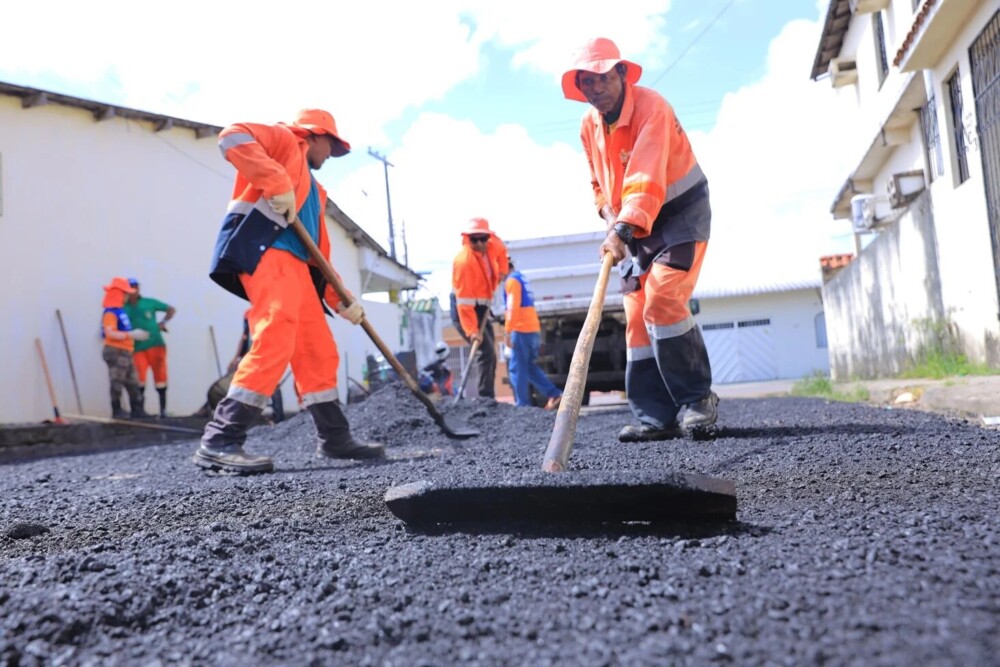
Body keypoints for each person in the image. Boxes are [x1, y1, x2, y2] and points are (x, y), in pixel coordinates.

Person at [192, 108, 384, 474]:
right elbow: (232, 136)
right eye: (330, 145)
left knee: (318, 350)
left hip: (298, 269)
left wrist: (343, 301)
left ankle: (334, 439)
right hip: (267, 254)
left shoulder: (315, 191)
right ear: (312, 135)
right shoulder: (283, 141)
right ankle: (221, 439)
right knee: (276, 331)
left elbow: (320, 257)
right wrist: (275, 181)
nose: (331, 154)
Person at [562, 37, 718, 441]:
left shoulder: (653, 108)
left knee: (663, 299)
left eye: (600, 79)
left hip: (679, 215)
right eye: (585, 83)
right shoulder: (588, 126)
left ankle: (697, 400)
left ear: (621, 73)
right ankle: (655, 417)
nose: (594, 91)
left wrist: (622, 228)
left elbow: (645, 180)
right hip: (631, 227)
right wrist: (607, 216)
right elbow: (599, 182)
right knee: (635, 319)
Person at [451, 217, 509, 399]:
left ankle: (488, 399)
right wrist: (472, 331)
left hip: (482, 307)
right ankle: (485, 399)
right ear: (468, 239)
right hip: (465, 310)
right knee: (485, 351)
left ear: (488, 237)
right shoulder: (464, 263)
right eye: (474, 239)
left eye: (483, 238)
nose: (479, 243)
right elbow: (464, 304)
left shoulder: (493, 245)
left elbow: (502, 253)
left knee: (491, 353)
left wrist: (502, 271)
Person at [503, 260, 562, 409]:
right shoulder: (521, 278)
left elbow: (512, 308)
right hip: (532, 329)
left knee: (517, 369)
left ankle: (522, 406)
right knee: (528, 367)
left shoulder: (512, 281)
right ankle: (554, 394)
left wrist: (508, 331)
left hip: (521, 329)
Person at [123, 277, 176, 418]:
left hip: (155, 344)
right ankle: (140, 411)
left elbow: (170, 309)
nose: (133, 290)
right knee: (139, 378)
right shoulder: (124, 307)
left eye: (135, 287)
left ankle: (163, 411)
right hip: (137, 347)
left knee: (160, 377)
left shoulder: (149, 303)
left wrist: (163, 323)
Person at [100, 276, 150, 420]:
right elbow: (110, 332)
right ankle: (117, 410)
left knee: (132, 381)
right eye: (125, 294)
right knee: (117, 381)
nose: (127, 297)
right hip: (116, 351)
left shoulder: (120, 312)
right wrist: (131, 334)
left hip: (126, 351)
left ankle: (137, 409)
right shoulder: (110, 312)